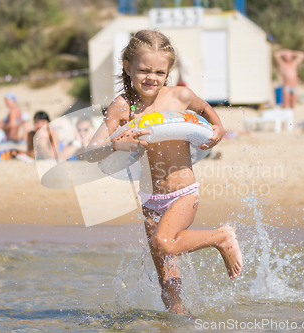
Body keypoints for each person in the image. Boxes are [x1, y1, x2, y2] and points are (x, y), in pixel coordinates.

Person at [85, 30, 243, 315]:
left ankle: (220, 237)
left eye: (159, 71)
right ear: (127, 65)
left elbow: (206, 109)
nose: (151, 77)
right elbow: (90, 152)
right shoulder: (124, 107)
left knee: (164, 243)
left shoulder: (179, 96)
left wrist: (218, 129)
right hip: (150, 200)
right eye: (144, 70)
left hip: (183, 193)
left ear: (169, 71)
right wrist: (117, 145)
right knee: (166, 280)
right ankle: (179, 318)